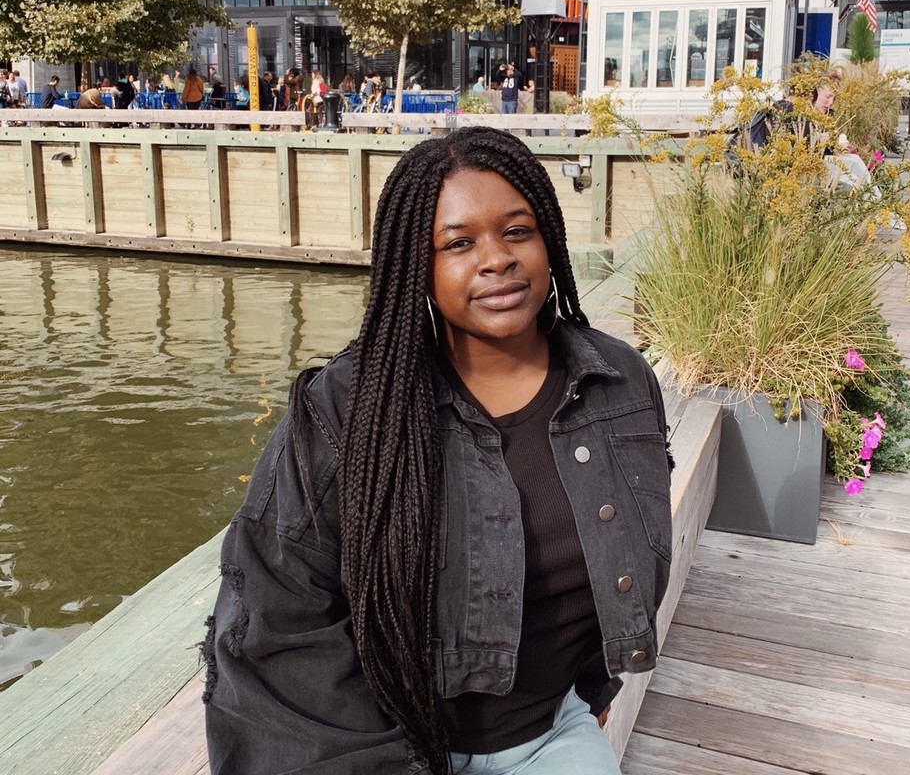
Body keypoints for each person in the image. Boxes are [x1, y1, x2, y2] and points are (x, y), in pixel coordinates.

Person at [202, 126, 673, 775]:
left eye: (516, 231)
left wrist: (596, 686)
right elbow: (280, 621)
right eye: (458, 243)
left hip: (551, 731)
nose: (496, 258)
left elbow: (631, 553)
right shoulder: (346, 414)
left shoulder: (619, 386)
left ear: (549, 241)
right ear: (415, 269)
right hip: (384, 745)